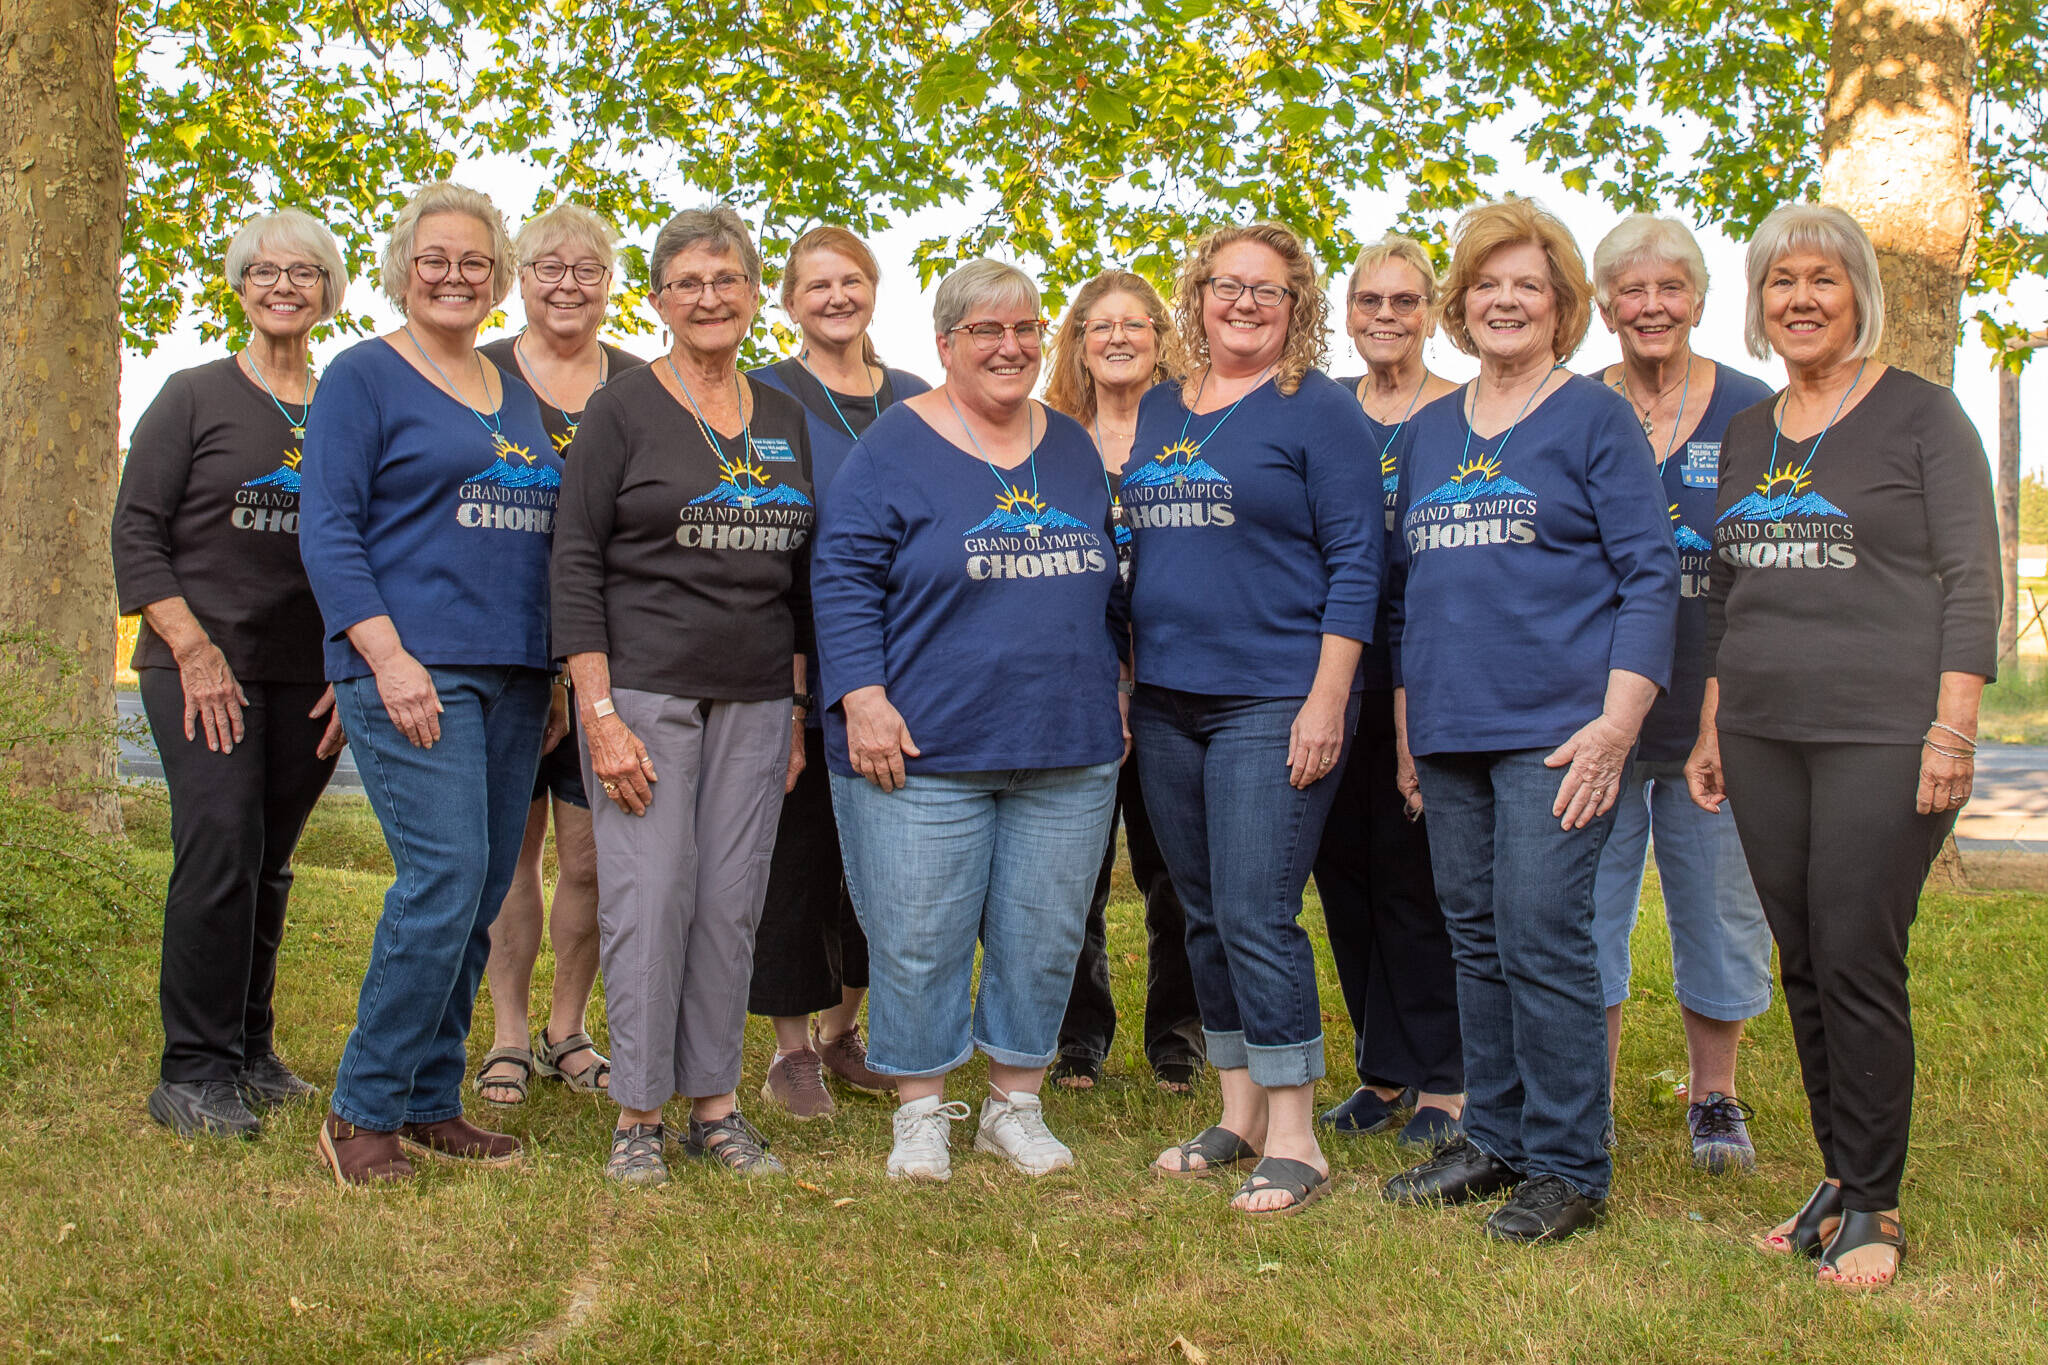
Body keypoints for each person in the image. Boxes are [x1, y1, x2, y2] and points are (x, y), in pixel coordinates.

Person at [1688, 203, 2000, 1289]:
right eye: (1780, 283)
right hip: (1764, 731)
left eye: (1821, 280)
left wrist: (1951, 727)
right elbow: (1727, 589)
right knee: (1804, 959)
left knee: (1857, 956)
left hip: (1884, 732)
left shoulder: (1919, 415)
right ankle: (1836, 1173)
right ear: (1759, 302)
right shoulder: (1748, 429)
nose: (1800, 300)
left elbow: (1971, 579)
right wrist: (1714, 722)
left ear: (1857, 293)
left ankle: (1875, 1203)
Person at [1378, 197, 1678, 1243]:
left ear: (1559, 308)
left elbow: (1649, 579)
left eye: (1528, 286)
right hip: (1451, 731)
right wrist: (1412, 734)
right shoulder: (1424, 434)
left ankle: (1566, 1167)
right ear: (1458, 306)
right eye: (1486, 285)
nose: (1504, 301)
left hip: (1558, 731)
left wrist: (1613, 727)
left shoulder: (1591, 418)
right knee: (1473, 937)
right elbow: (1408, 596)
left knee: (1541, 937)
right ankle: (1494, 1137)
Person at [812, 259, 1124, 1183]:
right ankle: (920, 1111)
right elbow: (840, 580)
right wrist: (861, 699)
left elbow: (1109, 579)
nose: (1010, 346)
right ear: (945, 344)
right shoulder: (892, 447)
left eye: (1025, 329)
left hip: (1065, 743)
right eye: (986, 331)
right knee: (918, 933)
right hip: (922, 745)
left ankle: (1014, 1106)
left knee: (1045, 929)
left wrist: (1115, 687)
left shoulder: (1069, 446)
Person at [299, 181, 559, 1185]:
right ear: (403, 268)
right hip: (415, 669)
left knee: (485, 888)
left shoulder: (512, 390)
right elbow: (328, 527)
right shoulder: (362, 376)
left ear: (497, 280)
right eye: (434, 258)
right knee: (443, 879)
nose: (454, 275)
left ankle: (425, 1098)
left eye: (474, 261)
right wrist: (385, 654)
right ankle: (360, 1108)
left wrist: (559, 678)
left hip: (513, 672)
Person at [551, 205, 814, 1185]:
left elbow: (799, 576)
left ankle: (715, 1106)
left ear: (754, 296)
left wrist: (792, 707)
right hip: (643, 700)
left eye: (728, 278)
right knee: (648, 898)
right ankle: (636, 1118)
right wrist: (599, 713)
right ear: (657, 300)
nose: (710, 297)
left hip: (753, 701)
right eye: (687, 282)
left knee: (727, 902)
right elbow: (573, 559)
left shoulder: (783, 416)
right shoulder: (621, 408)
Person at [1129, 222, 1380, 1216]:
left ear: (1295, 309)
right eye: (1225, 286)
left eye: (1265, 292)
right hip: (1164, 699)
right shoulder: (1157, 408)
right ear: (1195, 296)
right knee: (1197, 907)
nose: (1241, 303)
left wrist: (1326, 699)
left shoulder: (1316, 413)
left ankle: (1295, 1136)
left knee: (1253, 908)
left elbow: (1359, 559)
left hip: (1271, 694)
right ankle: (1235, 1112)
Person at [113, 208, 350, 1140]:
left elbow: (372, 543)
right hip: (198, 666)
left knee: (271, 860)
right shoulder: (193, 395)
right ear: (240, 285)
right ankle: (192, 1069)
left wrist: (356, 662)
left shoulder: (346, 402)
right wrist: (194, 646)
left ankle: (251, 1047)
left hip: (313, 675)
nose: (283, 285)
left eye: (303, 272)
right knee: (218, 848)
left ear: (329, 291)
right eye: (264, 271)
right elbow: (136, 532)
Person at [1586, 214, 1776, 1171]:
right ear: (1604, 305)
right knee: (1588, 909)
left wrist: (1727, 705)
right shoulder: (1575, 407)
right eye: (1632, 289)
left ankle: (1716, 1098)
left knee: (1717, 905)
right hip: (1598, 713)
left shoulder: (1754, 411)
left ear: (1699, 301)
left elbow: (1770, 567)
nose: (1651, 306)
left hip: (1715, 710)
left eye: (1670, 289)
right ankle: (1594, 1096)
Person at [745, 226, 930, 1117]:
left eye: (850, 279)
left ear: (873, 290)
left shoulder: (921, 400)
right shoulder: (761, 398)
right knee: (797, 850)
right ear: (789, 300)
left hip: (914, 657)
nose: (835, 296)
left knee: (888, 853)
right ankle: (789, 1051)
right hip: (796, 652)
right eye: (816, 283)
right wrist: (787, 688)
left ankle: (843, 1029)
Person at [471, 203, 646, 1107]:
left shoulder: (643, 387)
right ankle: (505, 1033)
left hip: (606, 659)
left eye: (587, 269)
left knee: (587, 860)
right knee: (512, 854)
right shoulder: (477, 373)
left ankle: (567, 1027)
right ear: (520, 278)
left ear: (610, 285)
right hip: (497, 648)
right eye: (547, 267)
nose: (567, 284)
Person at [1313, 234, 1466, 1148]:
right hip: (1333, 670)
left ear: (1431, 312)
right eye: (1368, 301)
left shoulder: (1457, 413)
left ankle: (1446, 1077)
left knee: (1417, 880)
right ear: (1346, 313)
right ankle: (1382, 1068)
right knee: (1344, 873)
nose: (1384, 318)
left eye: (1403, 303)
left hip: (1426, 664)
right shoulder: (1326, 410)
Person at [1040, 268, 1205, 1096]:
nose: (1116, 337)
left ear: (1160, 336)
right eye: (1097, 325)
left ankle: (1179, 1034)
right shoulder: (1051, 441)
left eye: (1134, 323)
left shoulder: (1189, 433)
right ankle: (1077, 1036)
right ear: (1076, 342)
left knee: (1174, 868)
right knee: (1072, 867)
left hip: (1178, 676)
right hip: (1079, 681)